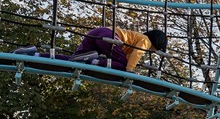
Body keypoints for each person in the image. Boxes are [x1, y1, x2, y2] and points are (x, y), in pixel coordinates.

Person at [14, 27, 167, 72]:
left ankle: (33, 53)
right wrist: (130, 71)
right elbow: (137, 53)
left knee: (73, 60)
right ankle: (94, 61)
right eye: (157, 49)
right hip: (109, 37)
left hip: (96, 34)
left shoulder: (136, 38)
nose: (154, 52)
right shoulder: (145, 41)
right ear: (157, 42)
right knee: (122, 66)